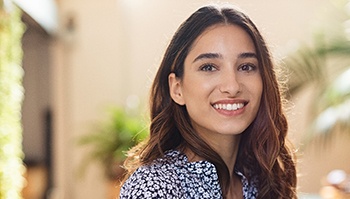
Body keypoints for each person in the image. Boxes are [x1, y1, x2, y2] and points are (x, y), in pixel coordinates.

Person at [119, 4, 297, 199]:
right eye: (209, 67)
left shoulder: (261, 178)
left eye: (246, 67)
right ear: (177, 88)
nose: (232, 86)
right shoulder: (155, 186)